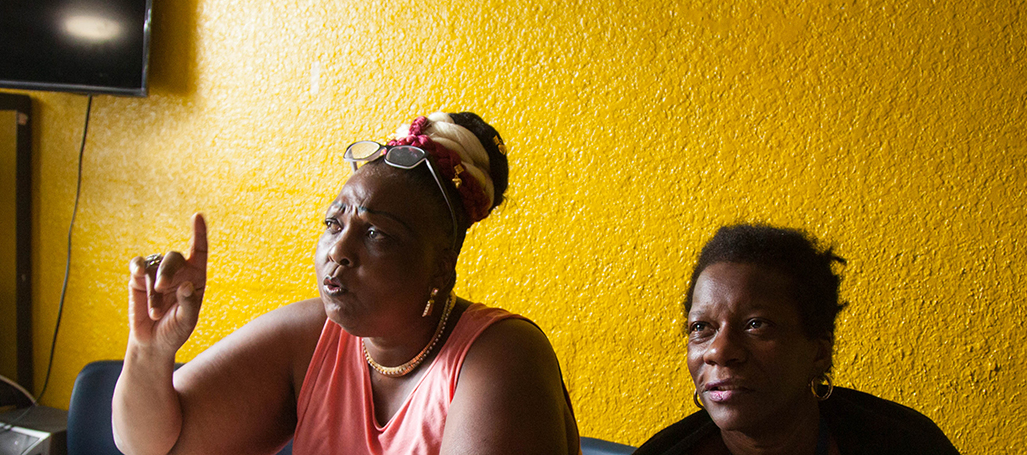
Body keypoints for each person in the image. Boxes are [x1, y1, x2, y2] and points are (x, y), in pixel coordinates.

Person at [112, 113, 580, 455]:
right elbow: (151, 446)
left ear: (441, 267)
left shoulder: (500, 357)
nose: (338, 251)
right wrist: (151, 352)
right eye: (334, 223)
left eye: (377, 233)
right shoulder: (311, 337)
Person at [632, 224, 958, 455]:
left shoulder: (905, 443)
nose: (719, 350)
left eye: (756, 324)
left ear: (819, 351)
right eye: (702, 328)